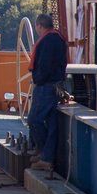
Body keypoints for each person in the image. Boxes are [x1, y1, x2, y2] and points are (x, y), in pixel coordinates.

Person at [27, 13, 68, 171]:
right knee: (51, 124)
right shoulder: (58, 38)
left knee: (34, 120)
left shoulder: (47, 41)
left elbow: (44, 66)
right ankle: (46, 158)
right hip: (56, 85)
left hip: (46, 87)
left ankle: (44, 153)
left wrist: (37, 79)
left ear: (39, 26)